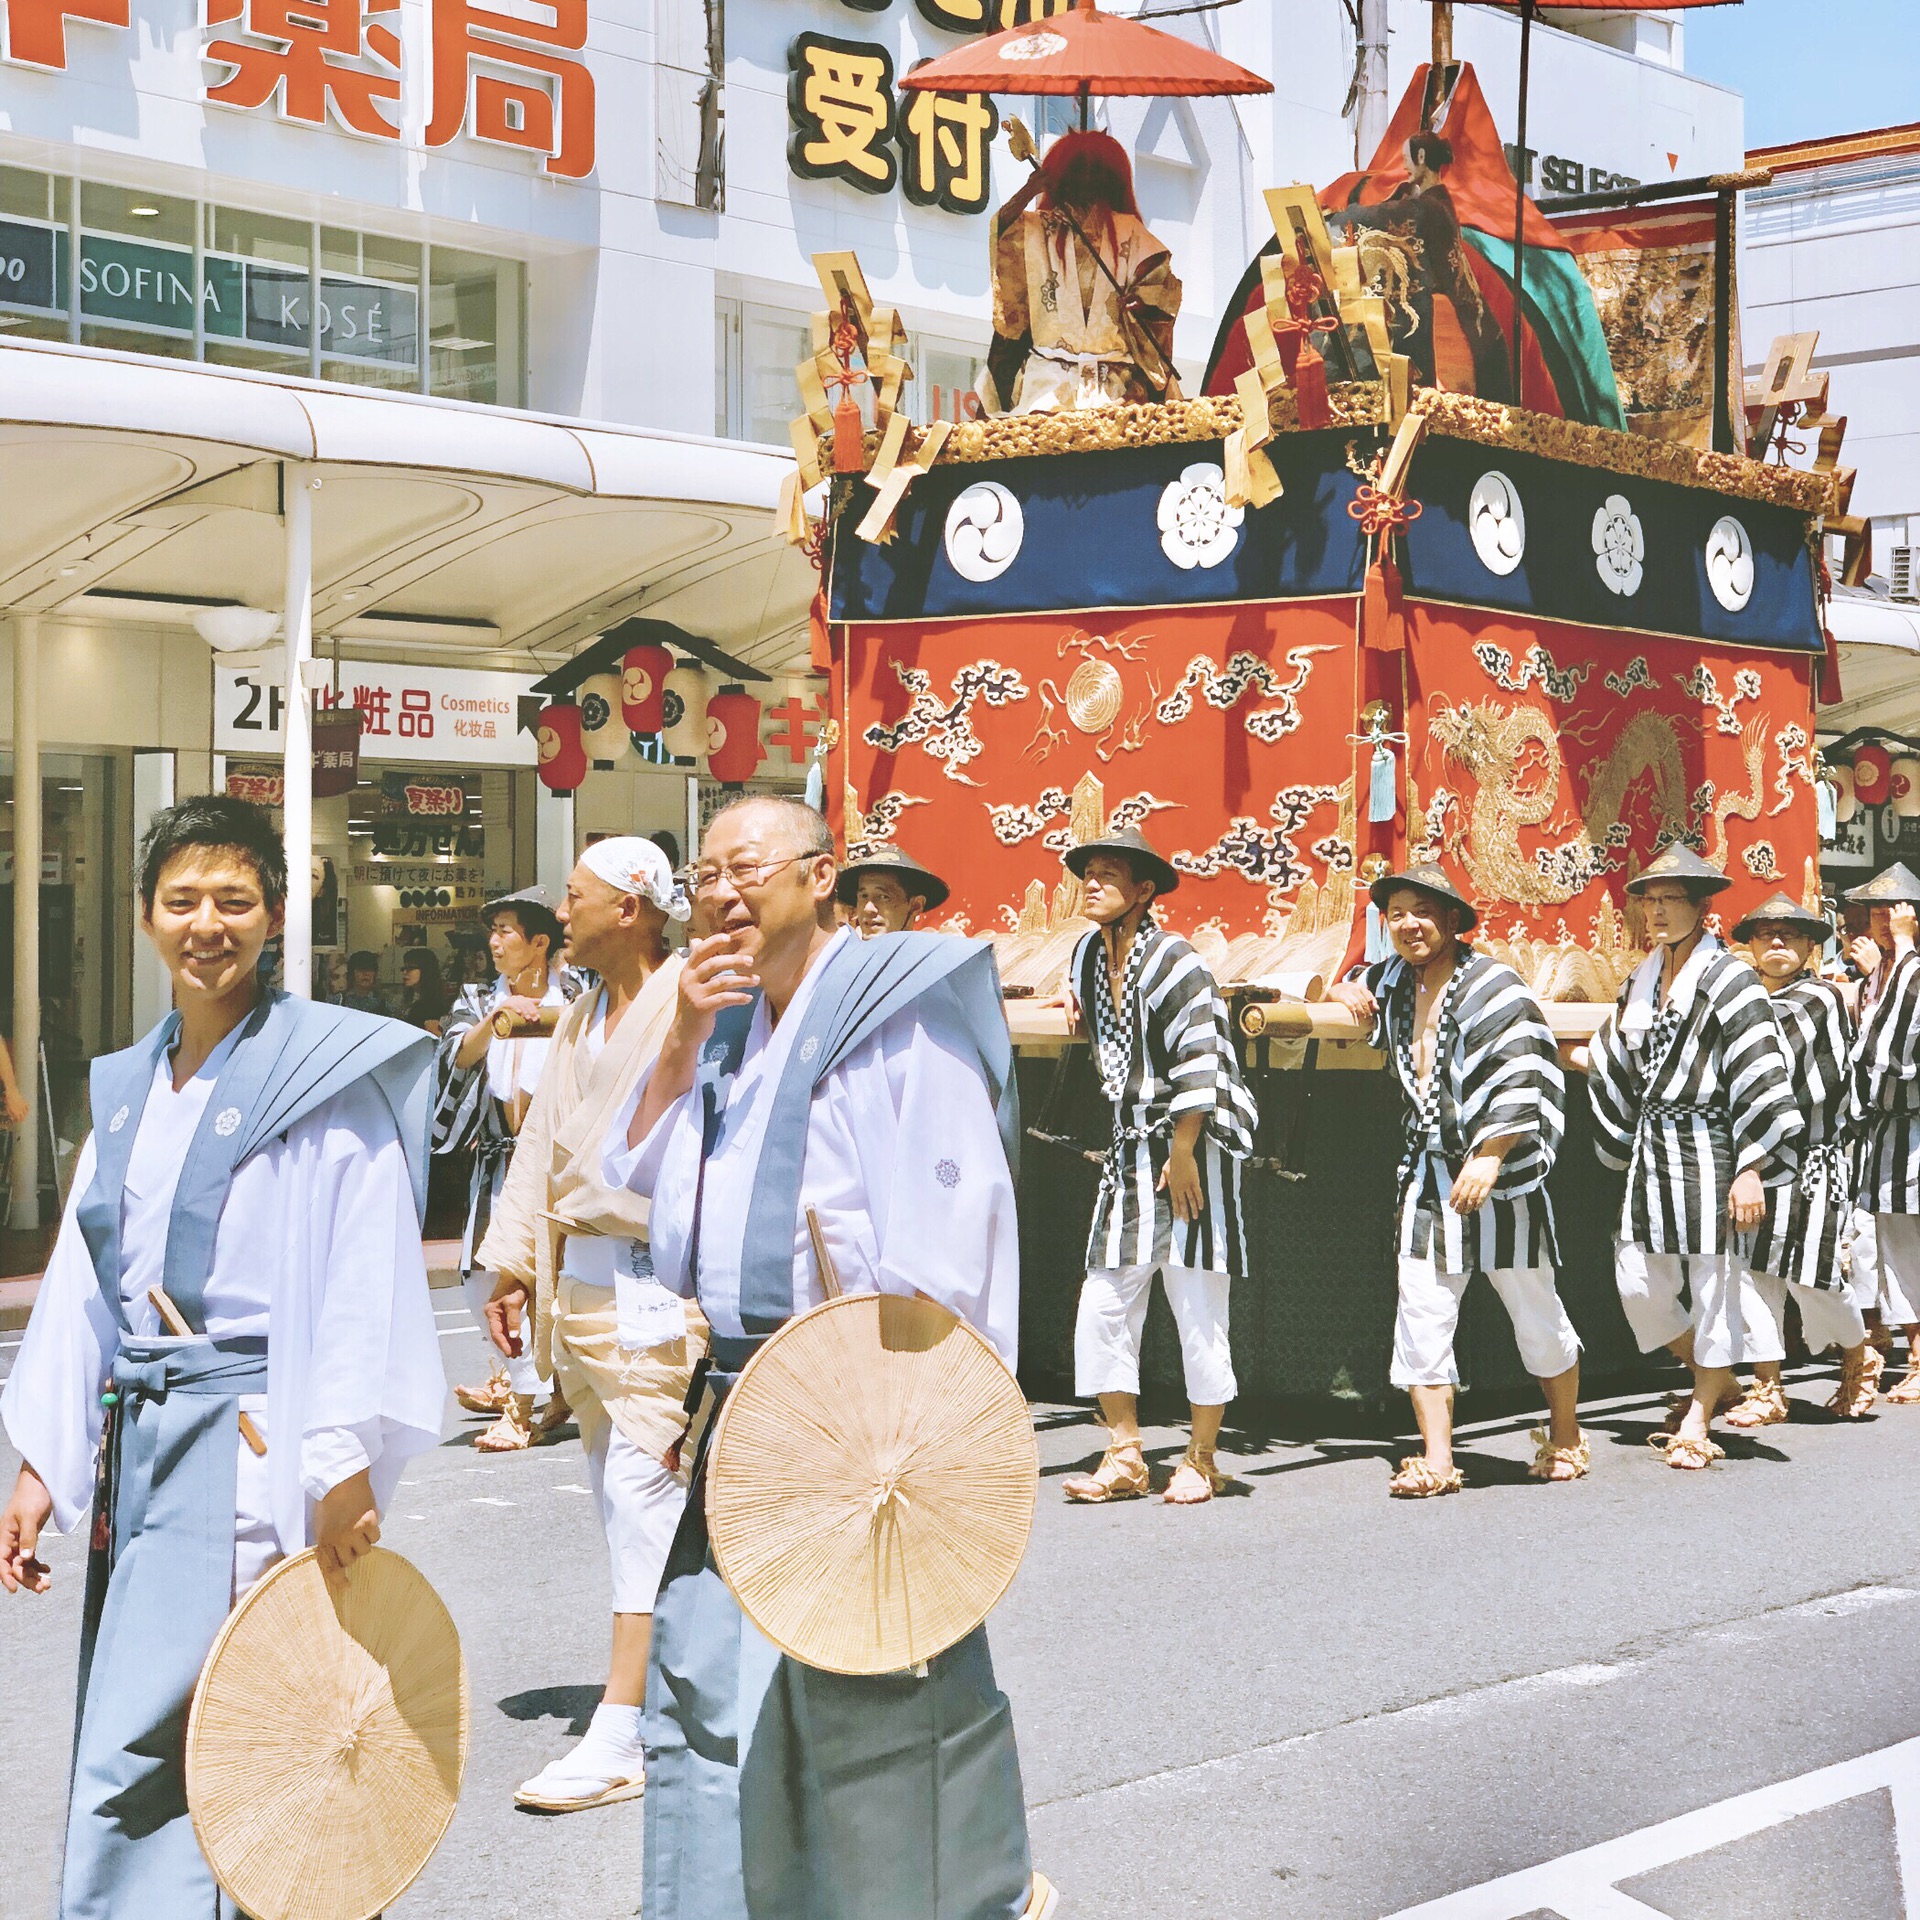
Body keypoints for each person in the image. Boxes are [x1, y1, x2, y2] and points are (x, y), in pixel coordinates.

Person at [0, 794, 443, 1914]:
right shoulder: (126, 1091)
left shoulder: (325, 1086)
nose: (210, 924)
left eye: (235, 901)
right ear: (146, 918)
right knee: (141, 1746)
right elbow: (84, 1281)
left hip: (261, 1446)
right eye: (183, 899)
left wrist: (342, 1456)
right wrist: (44, 1461)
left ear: (278, 916)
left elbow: (363, 1273)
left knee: (269, 1736)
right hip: (148, 1449)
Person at [613, 794, 1052, 1920]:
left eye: (746, 867)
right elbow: (664, 1225)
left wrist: (924, 1422)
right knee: (715, 1687)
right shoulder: (715, 1025)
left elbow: (954, 1241)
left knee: (872, 1703)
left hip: (862, 1409)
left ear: (822, 875)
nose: (721, 892)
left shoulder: (895, 1013)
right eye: (703, 875)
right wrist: (674, 1042)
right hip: (739, 1407)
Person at [476, 838, 708, 1813]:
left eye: (577, 897)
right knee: (626, 1507)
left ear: (635, 908)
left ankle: (621, 1731)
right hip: (586, 1289)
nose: (560, 913)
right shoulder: (580, 1017)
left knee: (643, 1496)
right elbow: (540, 1144)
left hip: (666, 1288)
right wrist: (513, 1258)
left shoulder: (694, 997)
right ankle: (682, 1692)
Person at [1328, 862, 1584, 1497]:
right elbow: (1330, 981)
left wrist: (1491, 1153)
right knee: (1422, 1312)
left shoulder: (1494, 985)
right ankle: (1438, 1459)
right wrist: (1336, 991)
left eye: (1422, 911)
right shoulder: (1391, 978)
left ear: (1450, 920)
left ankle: (1568, 1434)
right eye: (1396, 914)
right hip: (1427, 1175)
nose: (1408, 924)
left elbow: (1527, 1068)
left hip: (1502, 1178)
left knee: (1534, 1311)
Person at [1057, 828, 1257, 1507]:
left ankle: (1201, 1456)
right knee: (1105, 1301)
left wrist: (1183, 1151)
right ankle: (1125, 1450)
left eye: (1108, 874)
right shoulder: (1089, 952)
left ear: (1143, 892)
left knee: (1196, 1300)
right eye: (1087, 872)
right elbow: (1090, 1002)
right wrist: (1071, 996)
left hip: (1187, 1145)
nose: (1092, 882)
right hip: (1129, 1148)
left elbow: (1201, 1055)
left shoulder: (1176, 960)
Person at [1586, 846, 1801, 1470]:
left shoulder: (1730, 978)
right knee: (1637, 1282)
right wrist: (1598, 1063)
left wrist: (1752, 1166)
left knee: (1715, 1283)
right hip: (1653, 1146)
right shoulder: (1641, 977)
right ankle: (1717, 1377)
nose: (1654, 911)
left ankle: (1701, 1417)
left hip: (1714, 1144)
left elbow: (1762, 1069)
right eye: (1648, 900)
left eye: (1668, 899)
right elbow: (1620, 1050)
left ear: (1701, 908)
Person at [434, 886, 584, 1449]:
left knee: (565, 1278)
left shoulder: (580, 994)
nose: (494, 943)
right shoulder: (477, 998)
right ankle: (527, 1388)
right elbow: (457, 1054)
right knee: (482, 1280)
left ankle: (529, 1401)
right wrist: (497, 1017)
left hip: (561, 1165)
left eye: (506, 931)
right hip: (500, 1162)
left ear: (539, 942)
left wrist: (554, 1016)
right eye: (492, 931)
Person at [1724, 892, 1881, 1426]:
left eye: (1789, 934)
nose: (1775, 942)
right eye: (1765, 933)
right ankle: (1766, 1385)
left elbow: (1762, 1062)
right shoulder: (1746, 1003)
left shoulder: (1818, 1000)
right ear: (1748, 945)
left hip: (1812, 1157)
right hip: (1751, 1157)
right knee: (1750, 1275)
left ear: (1811, 946)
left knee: (1811, 1274)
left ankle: (1859, 1357)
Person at [980, 129, 1181, 416]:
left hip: (1117, 387)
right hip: (1048, 384)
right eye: (1078, 172)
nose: (1086, 181)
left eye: (1094, 173)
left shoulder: (1130, 231)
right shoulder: (1037, 229)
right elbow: (1003, 231)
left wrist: (1142, 304)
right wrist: (1028, 191)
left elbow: (1160, 292)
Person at [1844, 862, 1920, 1403]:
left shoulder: (1910, 973)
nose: (1882, 921)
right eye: (1875, 911)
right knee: (1893, 1242)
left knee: (1908, 1242)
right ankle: (1906, 1348)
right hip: (1885, 1129)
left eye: (1892, 913)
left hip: (1913, 1123)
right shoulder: (1876, 974)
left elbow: (1888, 1051)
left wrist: (1902, 949)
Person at [835, 841, 951, 938]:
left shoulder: (930, 960)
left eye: (883, 897)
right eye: (863, 896)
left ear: (916, 905)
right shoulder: (843, 961)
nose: (868, 909)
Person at [398, 945, 452, 1034]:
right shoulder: (407, 1000)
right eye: (404, 968)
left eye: (411, 968)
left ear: (426, 970)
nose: (405, 972)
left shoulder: (432, 1006)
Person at [334, 947, 390, 1015]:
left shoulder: (384, 1003)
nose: (366, 974)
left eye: (370, 969)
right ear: (352, 973)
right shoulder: (338, 1001)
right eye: (361, 970)